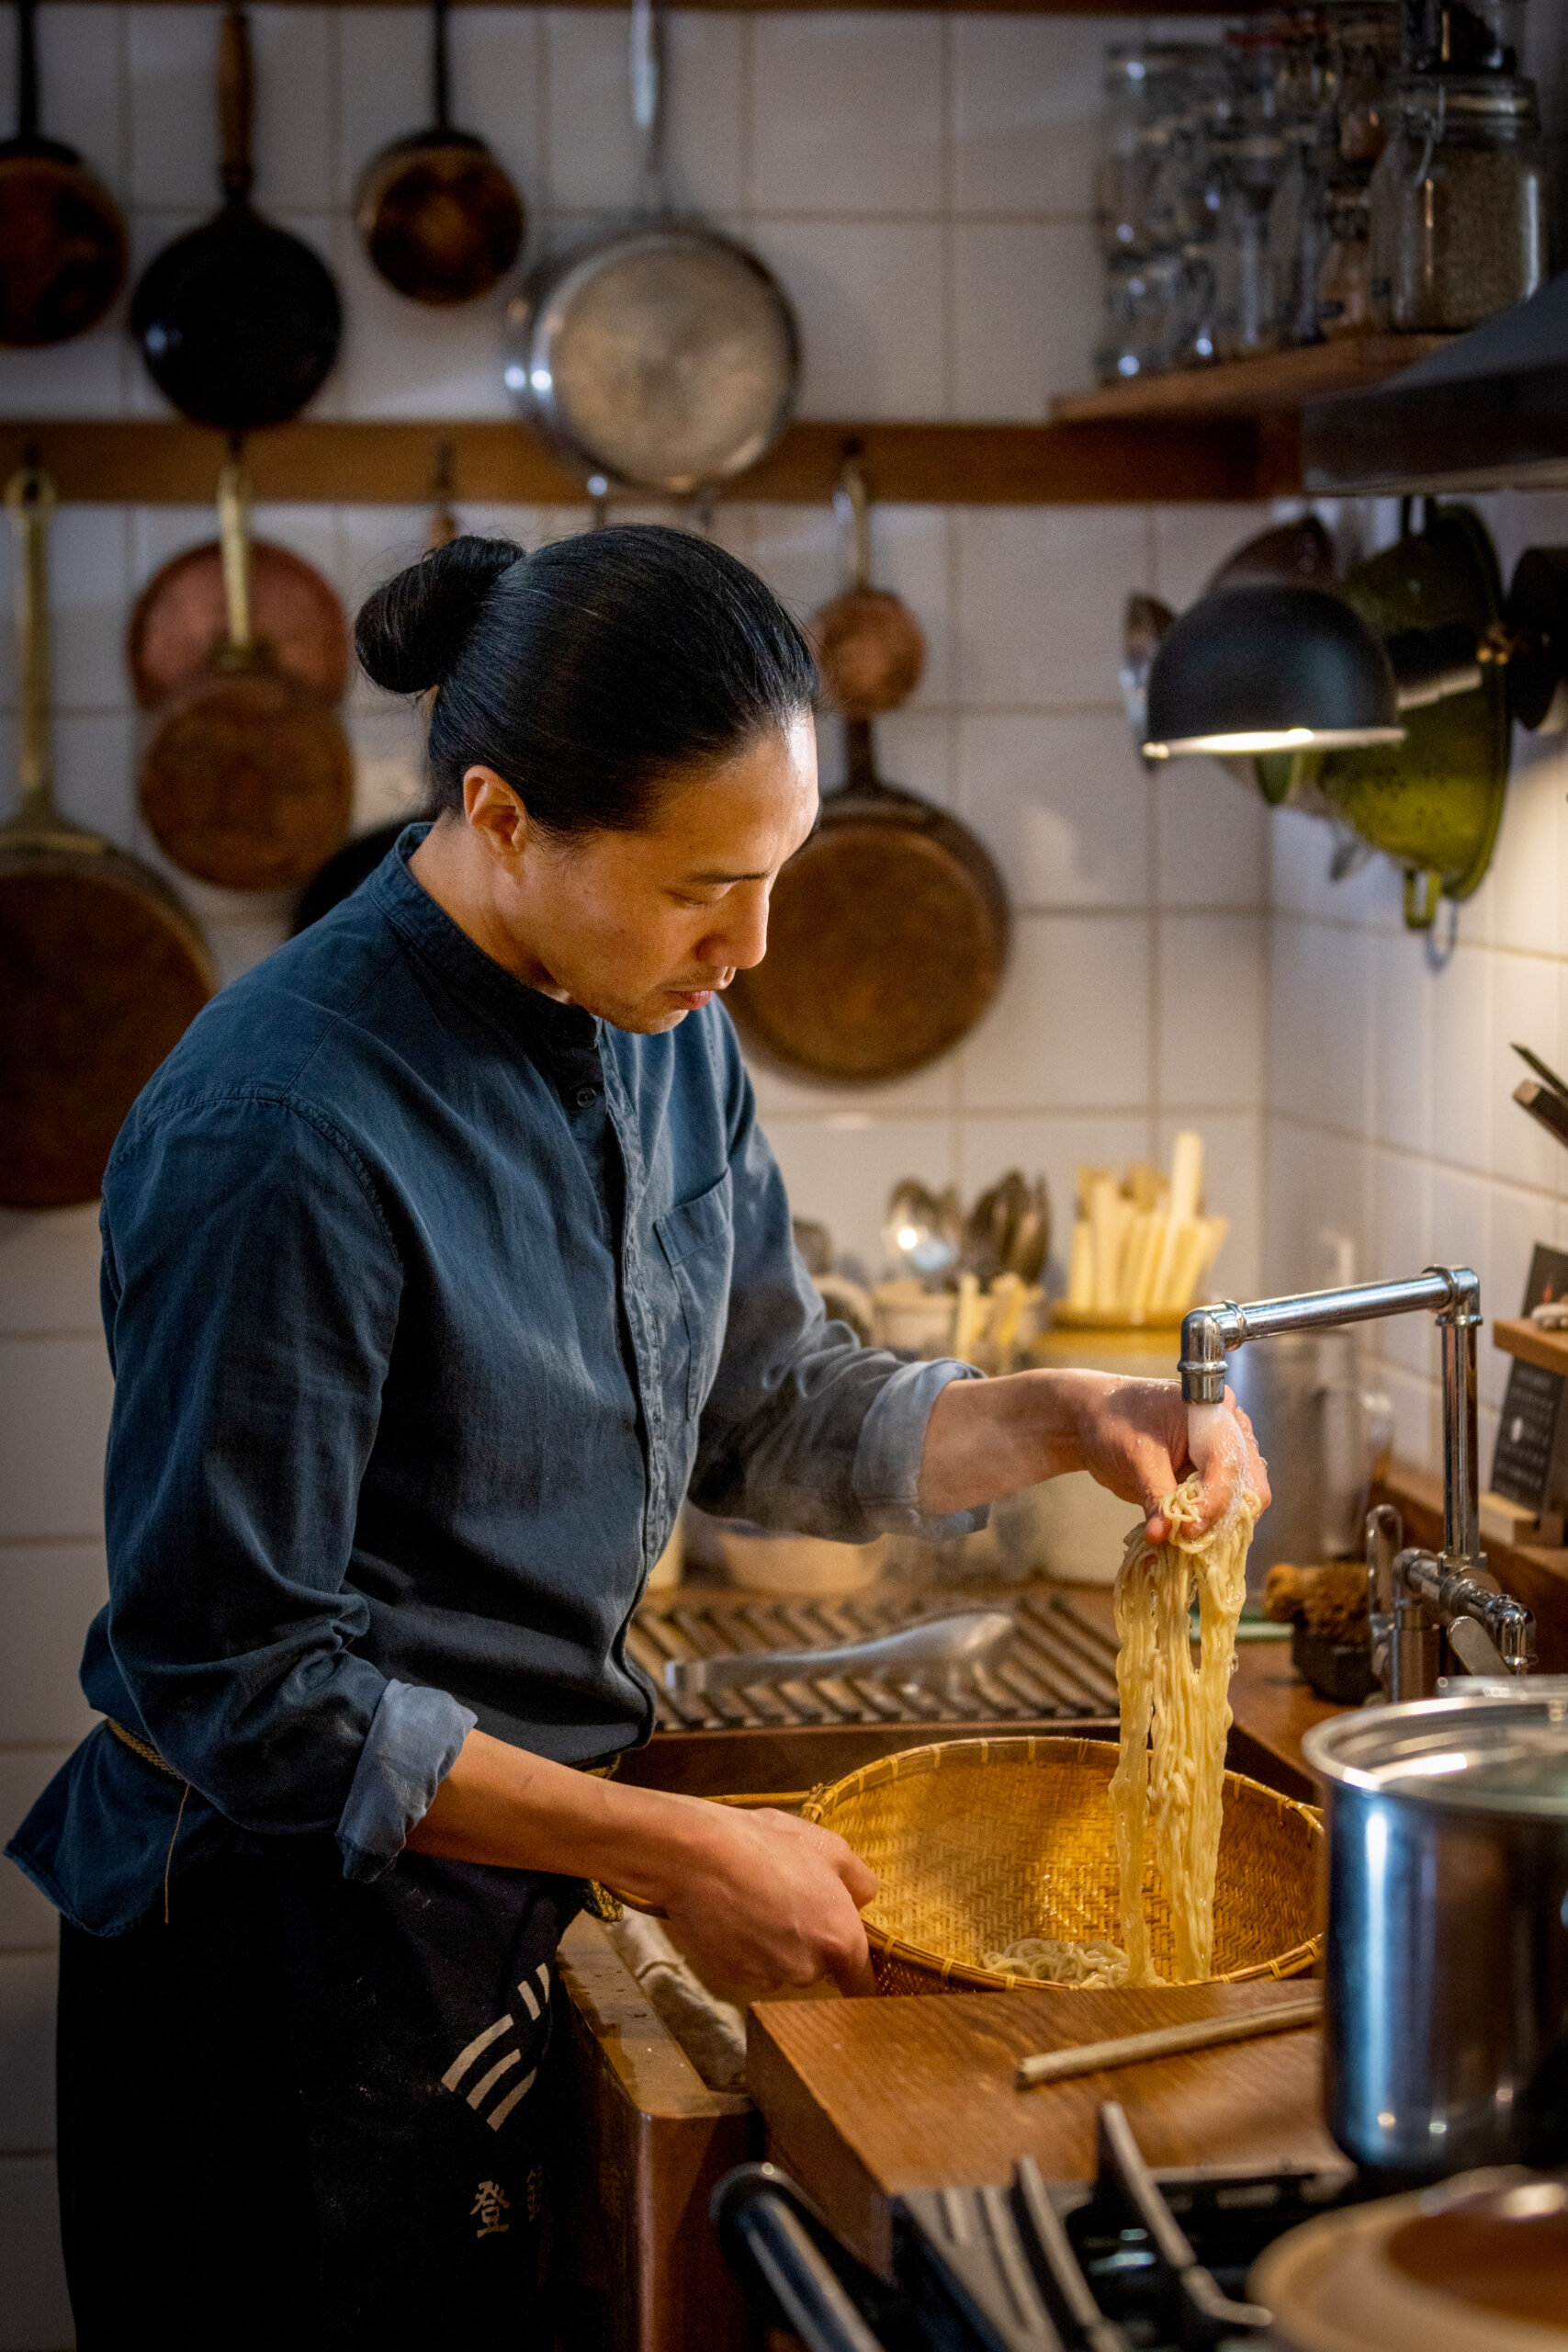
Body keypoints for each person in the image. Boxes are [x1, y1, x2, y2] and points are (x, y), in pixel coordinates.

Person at [7, 526, 1267, 2352]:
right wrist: (674, 1847)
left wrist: (1067, 1415)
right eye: (700, 887)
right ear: (503, 817)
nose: (747, 949)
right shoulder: (282, 1124)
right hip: (276, 1965)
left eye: (772, 877)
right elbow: (247, 1684)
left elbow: (765, 1404)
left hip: (485, 1893)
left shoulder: (657, 1022)